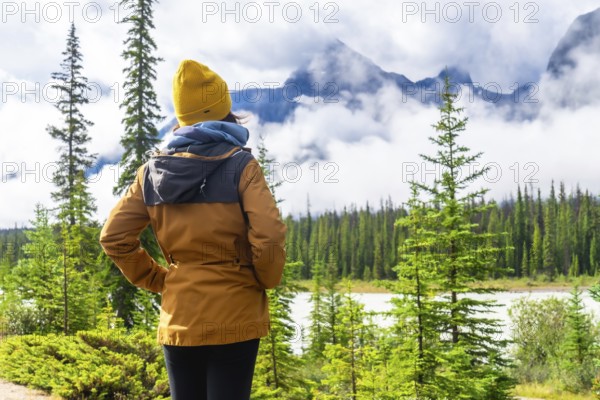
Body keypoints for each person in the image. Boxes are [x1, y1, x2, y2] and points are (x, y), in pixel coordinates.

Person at [99, 59, 287, 400]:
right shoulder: (242, 166)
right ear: (224, 111)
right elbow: (270, 235)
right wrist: (264, 280)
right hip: (236, 314)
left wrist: (160, 280)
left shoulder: (151, 173)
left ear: (182, 116)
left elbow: (113, 238)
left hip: (180, 316)